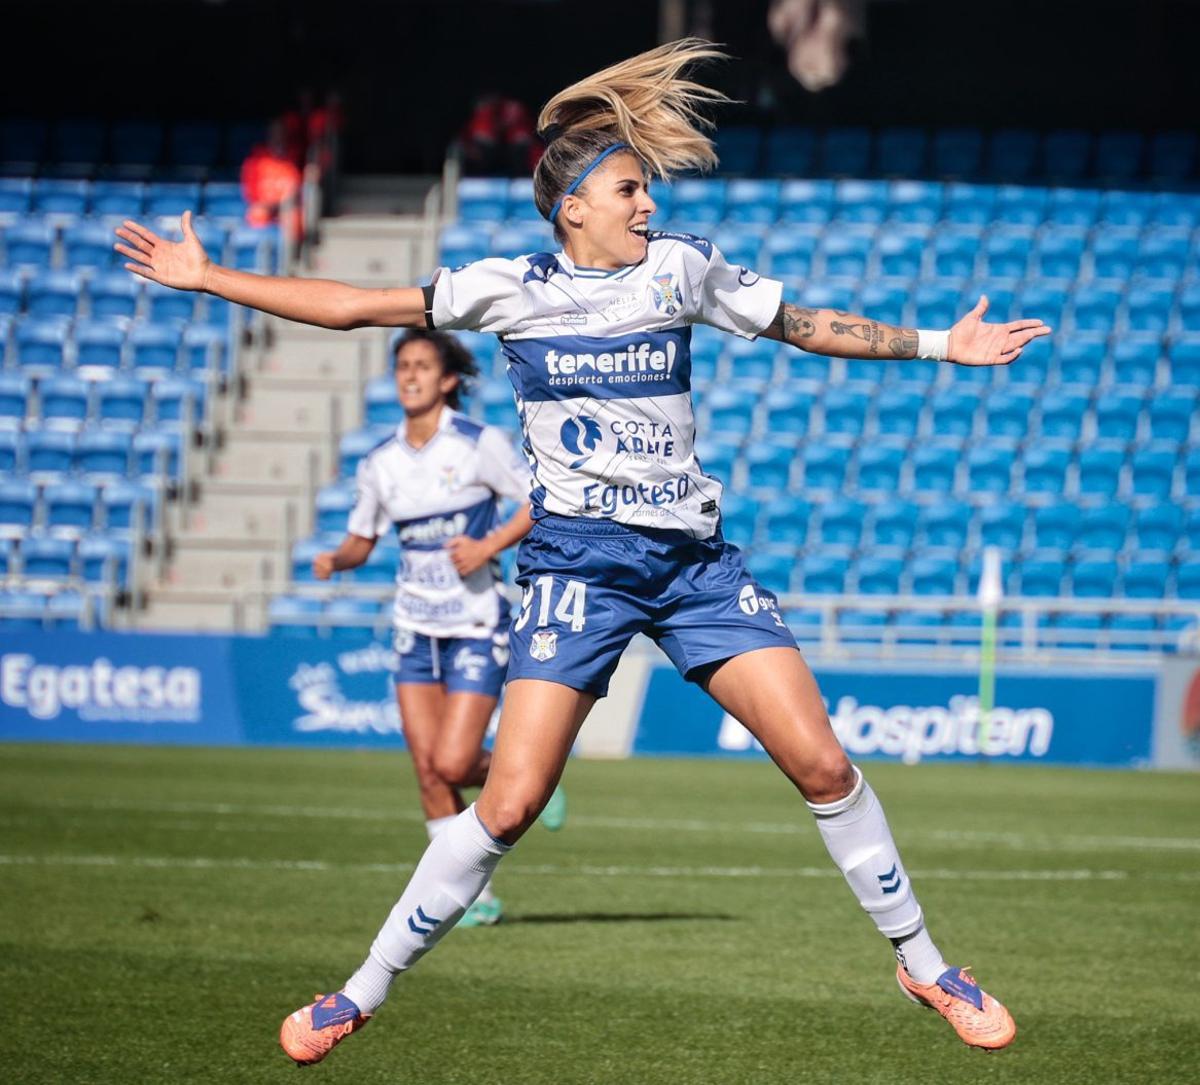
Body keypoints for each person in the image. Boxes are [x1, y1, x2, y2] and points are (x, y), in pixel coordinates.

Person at [114, 38, 1049, 1066]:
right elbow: (349, 307)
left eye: (645, 189)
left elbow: (800, 323)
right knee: (507, 802)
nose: (646, 203)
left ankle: (923, 961)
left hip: (695, 566)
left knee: (823, 760)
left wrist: (936, 346)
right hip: (577, 570)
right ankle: (359, 989)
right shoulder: (504, 288)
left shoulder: (683, 267)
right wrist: (210, 279)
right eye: (628, 189)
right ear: (573, 207)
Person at [313, 328, 558, 929]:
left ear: (448, 379)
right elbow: (362, 538)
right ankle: (469, 898)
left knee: (452, 763)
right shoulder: (380, 462)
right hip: (413, 627)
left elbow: (540, 499)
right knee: (427, 769)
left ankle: (523, 771)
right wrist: (335, 559)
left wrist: (487, 545)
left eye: (423, 365)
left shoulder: (479, 444)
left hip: (476, 621)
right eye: (403, 366)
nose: (410, 376)